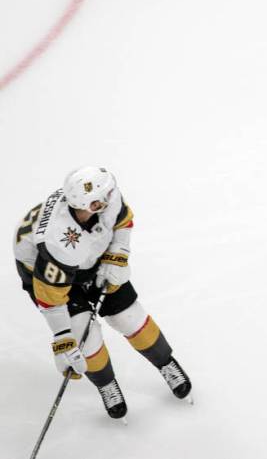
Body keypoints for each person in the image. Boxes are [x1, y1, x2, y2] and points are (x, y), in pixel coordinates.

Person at [13, 166, 191, 419]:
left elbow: (123, 222)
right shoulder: (58, 242)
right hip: (48, 275)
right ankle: (106, 384)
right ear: (86, 204)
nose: (109, 200)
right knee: (84, 340)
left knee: (129, 316)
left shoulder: (103, 197)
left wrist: (116, 256)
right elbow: (50, 297)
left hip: (90, 258)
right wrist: (63, 340)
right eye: (101, 201)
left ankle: (166, 362)